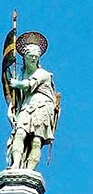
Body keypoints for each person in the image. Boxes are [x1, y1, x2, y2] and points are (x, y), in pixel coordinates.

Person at [6, 32, 59, 170]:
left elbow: (27, 84)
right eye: (31, 55)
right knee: (20, 133)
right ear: (24, 57)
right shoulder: (21, 74)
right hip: (26, 107)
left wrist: (16, 83)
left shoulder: (44, 74)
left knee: (36, 140)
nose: (34, 58)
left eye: (36, 56)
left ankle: (29, 170)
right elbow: (18, 96)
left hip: (42, 107)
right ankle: (15, 165)